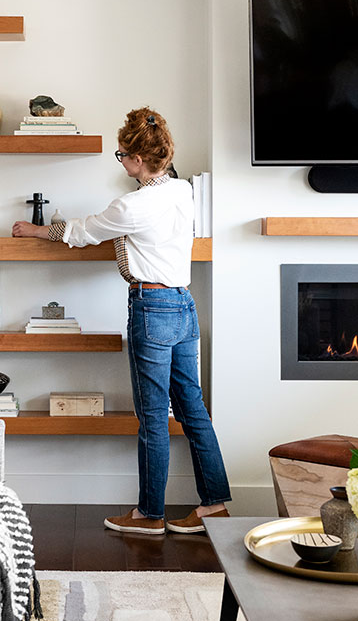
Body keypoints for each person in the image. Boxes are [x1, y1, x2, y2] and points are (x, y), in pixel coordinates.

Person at [12, 106, 231, 534]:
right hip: (184, 305)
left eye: (121, 155)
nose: (120, 162)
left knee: (153, 416)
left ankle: (149, 515)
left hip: (152, 308)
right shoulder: (183, 191)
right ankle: (215, 506)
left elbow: (82, 231)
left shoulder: (132, 205)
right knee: (193, 410)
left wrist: (36, 231)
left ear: (137, 159)